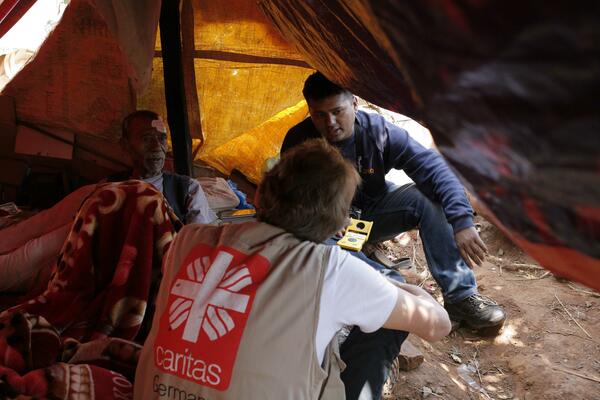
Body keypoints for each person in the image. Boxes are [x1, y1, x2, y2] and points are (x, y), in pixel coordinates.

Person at [133, 139, 451, 400]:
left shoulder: (187, 240)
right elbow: (438, 325)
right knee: (386, 321)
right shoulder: (329, 267)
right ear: (340, 223)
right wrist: (405, 289)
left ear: (260, 194)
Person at [282, 71, 506, 330]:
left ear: (354, 103)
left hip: (372, 213)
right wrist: (324, 215)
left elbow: (436, 169)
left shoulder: (379, 132)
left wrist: (462, 221)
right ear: (309, 111)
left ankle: (461, 297)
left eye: (337, 111)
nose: (330, 122)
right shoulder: (298, 142)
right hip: (326, 228)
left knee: (428, 198)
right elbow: (288, 201)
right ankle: (395, 296)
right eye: (319, 115)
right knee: (316, 248)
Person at [113, 110, 217, 225]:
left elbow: (196, 238)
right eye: (146, 139)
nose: (157, 147)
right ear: (125, 145)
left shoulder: (188, 189)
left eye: (162, 138)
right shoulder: (108, 188)